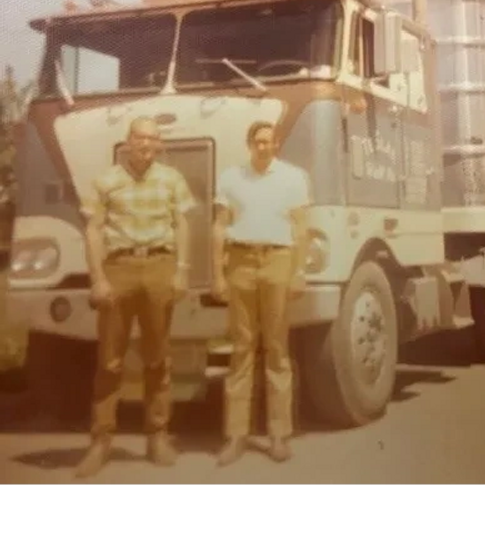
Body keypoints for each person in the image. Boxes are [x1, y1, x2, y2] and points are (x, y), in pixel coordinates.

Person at [74, 116, 196, 479]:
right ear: (127, 141)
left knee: (157, 358)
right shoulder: (105, 181)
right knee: (110, 360)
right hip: (119, 270)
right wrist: (97, 278)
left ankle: (157, 436)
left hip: (159, 266)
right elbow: (94, 231)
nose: (146, 144)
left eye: (153, 139)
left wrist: (182, 269)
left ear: (159, 145)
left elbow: (182, 224)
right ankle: (101, 441)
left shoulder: (171, 179)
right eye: (140, 137)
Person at [211, 120, 311, 466]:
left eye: (268, 141)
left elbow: (301, 228)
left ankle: (279, 435)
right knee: (241, 349)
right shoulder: (231, 178)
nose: (263, 147)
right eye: (257, 141)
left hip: (277, 261)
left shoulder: (293, 178)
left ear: (276, 144)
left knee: (277, 349)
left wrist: (298, 271)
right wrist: (217, 275)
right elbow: (219, 226)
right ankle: (236, 435)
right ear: (249, 144)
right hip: (240, 262)